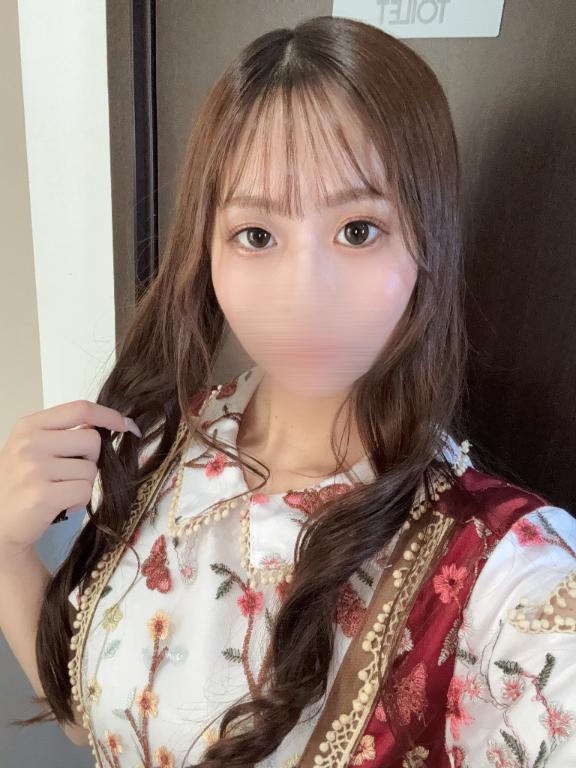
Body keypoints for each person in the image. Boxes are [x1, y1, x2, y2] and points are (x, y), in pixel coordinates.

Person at [1, 14, 575, 768]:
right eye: (258, 235)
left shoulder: (506, 576)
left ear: (427, 240)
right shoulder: (161, 447)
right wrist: (7, 548)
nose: (305, 294)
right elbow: (90, 718)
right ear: (207, 247)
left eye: (359, 230)